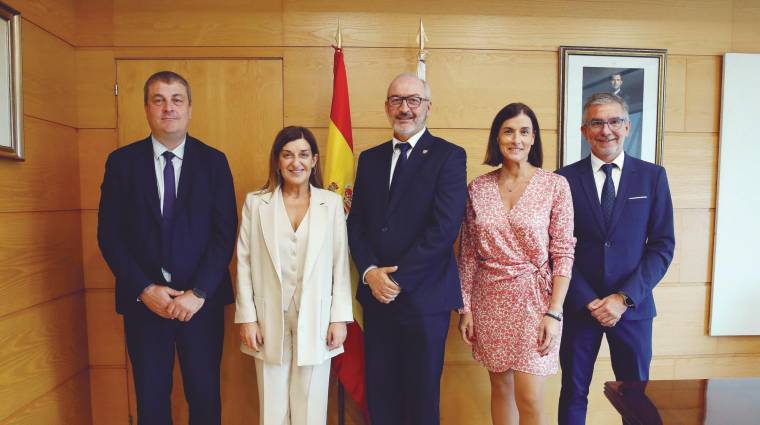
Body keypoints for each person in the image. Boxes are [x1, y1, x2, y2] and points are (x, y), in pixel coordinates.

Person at [97, 70, 237, 424]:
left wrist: (199, 292)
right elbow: (109, 236)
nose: (168, 108)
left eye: (176, 100)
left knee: (205, 397)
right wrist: (145, 289)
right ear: (146, 108)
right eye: (158, 100)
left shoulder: (214, 162)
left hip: (200, 305)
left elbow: (225, 234)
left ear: (189, 108)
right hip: (145, 305)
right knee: (151, 398)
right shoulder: (121, 163)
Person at [346, 73, 467, 425]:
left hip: (424, 299)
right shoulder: (370, 159)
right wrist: (370, 272)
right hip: (377, 297)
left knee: (421, 396)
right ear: (386, 107)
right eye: (397, 100)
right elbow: (357, 224)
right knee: (381, 394)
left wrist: (395, 280)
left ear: (428, 106)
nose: (405, 108)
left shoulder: (449, 156)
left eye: (413, 100)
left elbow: (444, 229)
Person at [556, 92, 675, 425]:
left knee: (636, 397)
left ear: (627, 126)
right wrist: (589, 300)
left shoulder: (652, 177)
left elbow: (662, 245)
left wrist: (623, 298)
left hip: (633, 309)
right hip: (580, 308)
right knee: (573, 391)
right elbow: (557, 246)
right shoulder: (562, 180)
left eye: (613, 121)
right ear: (584, 130)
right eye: (596, 122)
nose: (605, 130)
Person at [457, 103, 576, 425]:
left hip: (536, 301)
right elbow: (468, 251)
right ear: (497, 138)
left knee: (530, 395)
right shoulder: (478, 188)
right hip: (489, 298)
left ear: (534, 138)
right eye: (508, 131)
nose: (516, 139)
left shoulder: (555, 186)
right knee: (500, 386)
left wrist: (554, 311)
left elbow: (564, 252)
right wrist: (466, 307)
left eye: (524, 131)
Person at [234, 126, 353, 425]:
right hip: (267, 316)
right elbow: (244, 262)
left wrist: (338, 318)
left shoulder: (331, 203)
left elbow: (340, 262)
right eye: (287, 155)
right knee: (272, 408)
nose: (295, 162)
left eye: (302, 155)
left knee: (310, 406)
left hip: (316, 315)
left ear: (314, 160)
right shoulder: (256, 203)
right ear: (277, 161)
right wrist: (247, 317)